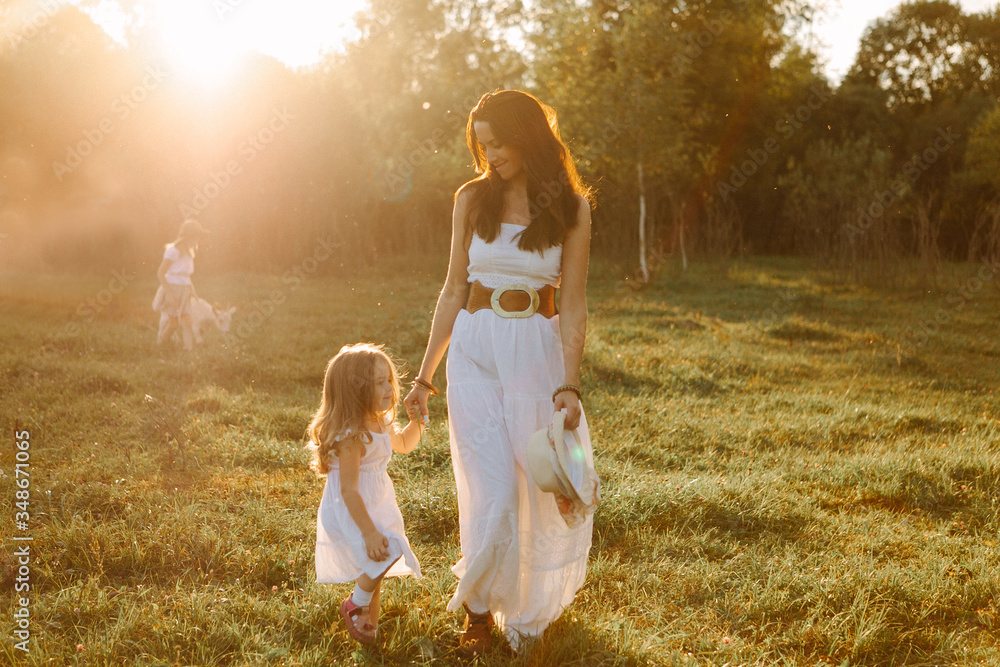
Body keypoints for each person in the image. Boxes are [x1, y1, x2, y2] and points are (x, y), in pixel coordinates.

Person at [404, 89, 596, 654]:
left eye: (499, 143)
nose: (490, 155)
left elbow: (576, 304)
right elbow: (453, 288)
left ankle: (528, 607)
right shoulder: (471, 199)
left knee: (538, 483)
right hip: (475, 349)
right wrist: (423, 376)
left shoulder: (571, 208)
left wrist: (569, 384)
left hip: (535, 350)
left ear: (528, 136)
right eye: (481, 144)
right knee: (491, 491)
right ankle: (479, 615)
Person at [307, 343, 424, 645]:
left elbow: (403, 444)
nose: (389, 388)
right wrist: (369, 533)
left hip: (378, 500)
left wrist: (417, 422)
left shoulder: (380, 420)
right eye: (379, 382)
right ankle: (355, 603)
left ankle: (367, 623)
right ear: (355, 390)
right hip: (353, 506)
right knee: (386, 551)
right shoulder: (351, 435)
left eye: (389, 380)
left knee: (377, 565)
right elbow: (348, 490)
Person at [153, 219, 208, 350]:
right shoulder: (173, 251)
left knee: (187, 322)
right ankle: (161, 345)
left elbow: (186, 275)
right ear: (188, 236)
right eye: (196, 236)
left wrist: (192, 290)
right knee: (173, 323)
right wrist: (169, 294)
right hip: (172, 288)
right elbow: (161, 273)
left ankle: (189, 352)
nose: (198, 240)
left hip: (184, 290)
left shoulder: (189, 252)